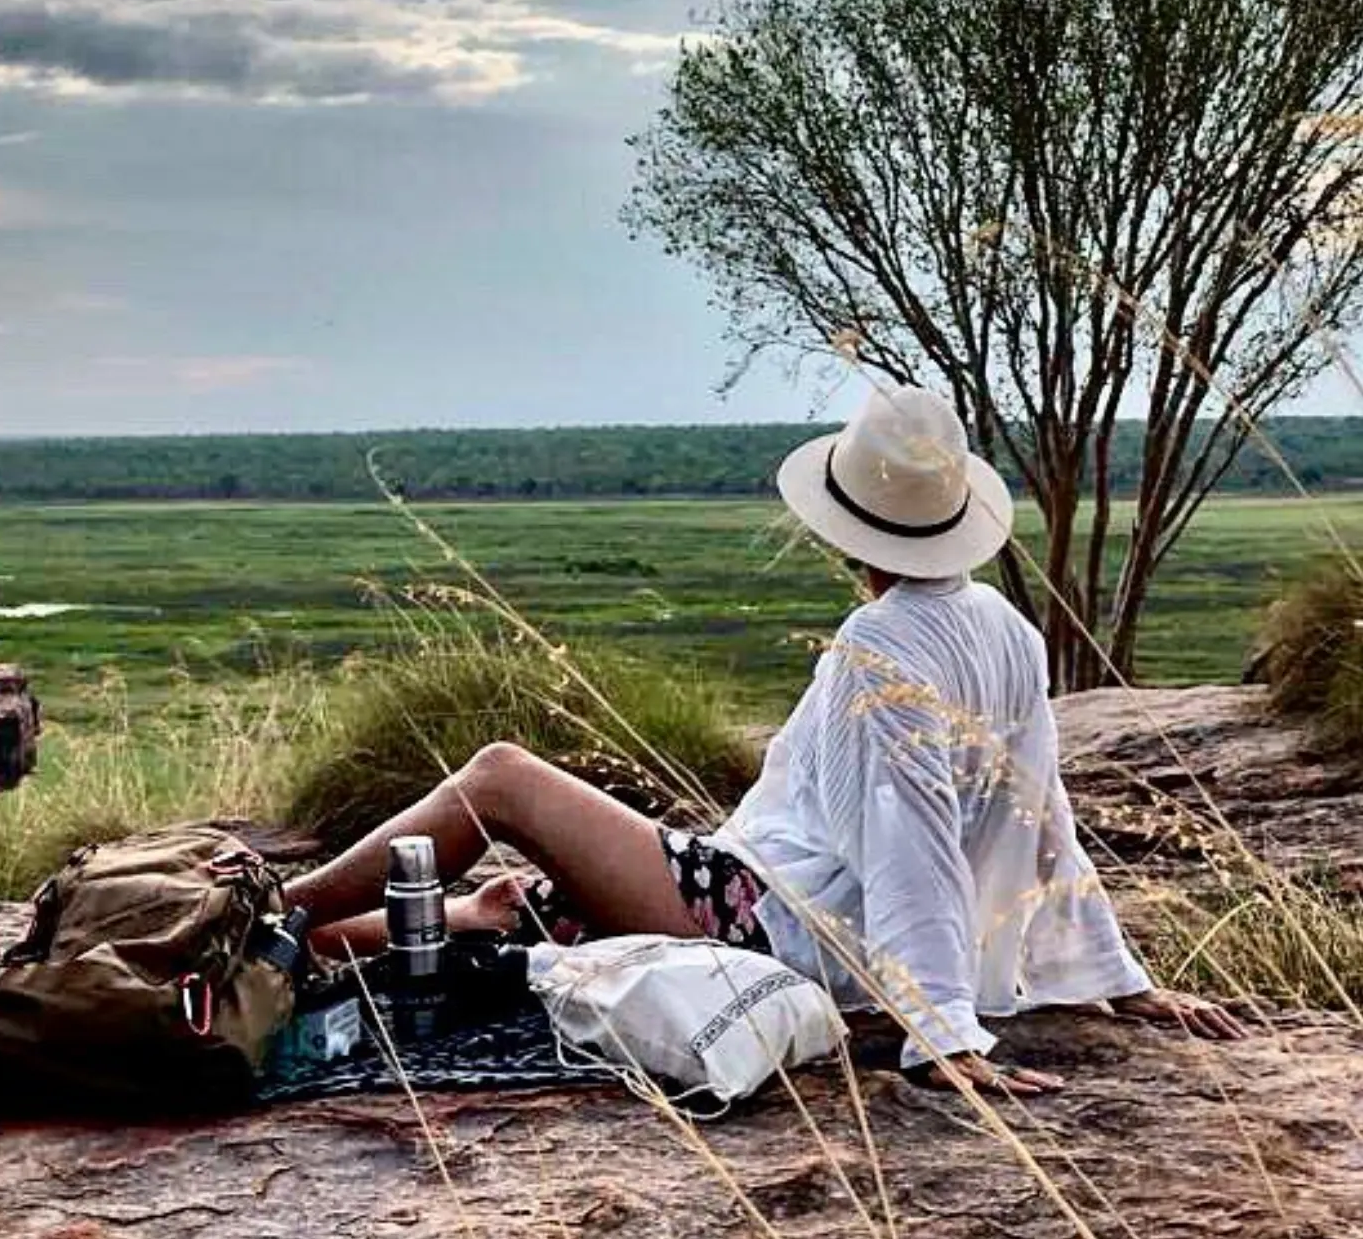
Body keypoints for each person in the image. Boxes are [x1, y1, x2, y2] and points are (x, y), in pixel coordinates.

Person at [281, 385, 1245, 1093]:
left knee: (503, 778)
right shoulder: (1006, 625)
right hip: (763, 900)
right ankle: (362, 930)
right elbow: (1041, 812)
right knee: (501, 910)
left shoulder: (881, 639)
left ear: (846, 532)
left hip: (758, 919)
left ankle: (273, 913)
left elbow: (909, 832)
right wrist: (1118, 978)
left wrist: (942, 1029)